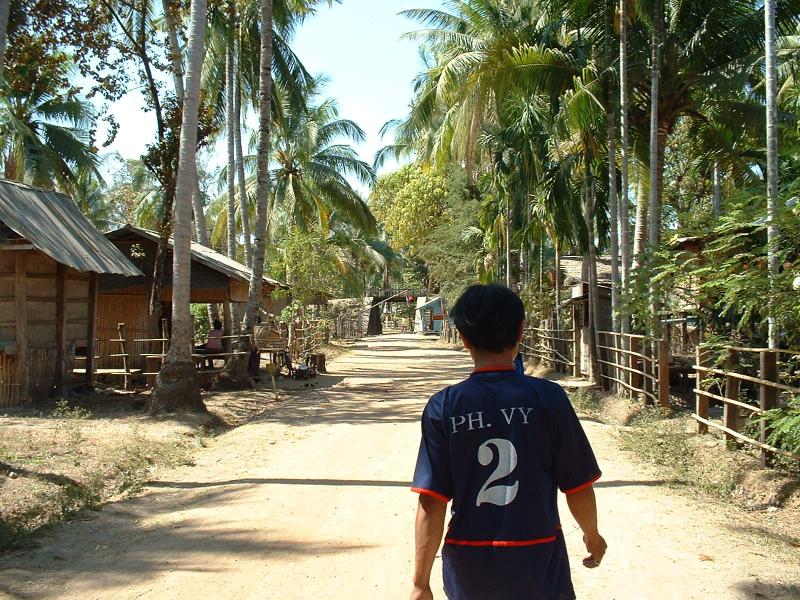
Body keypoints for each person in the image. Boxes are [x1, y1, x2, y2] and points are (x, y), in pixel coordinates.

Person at [410, 284, 606, 600]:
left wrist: (421, 583)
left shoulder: (444, 406)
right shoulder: (549, 399)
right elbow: (578, 486)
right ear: (520, 330)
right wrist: (593, 536)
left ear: (463, 337)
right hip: (538, 558)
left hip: (469, 563)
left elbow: (432, 500)